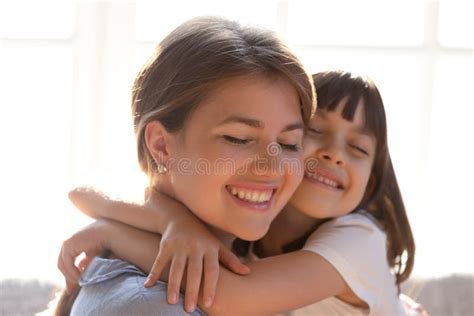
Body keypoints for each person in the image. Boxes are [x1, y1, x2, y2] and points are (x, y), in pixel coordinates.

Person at [60, 71, 423, 315]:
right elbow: (84, 192)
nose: (333, 153)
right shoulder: (250, 216)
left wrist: (112, 233)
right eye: (314, 132)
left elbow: (228, 296)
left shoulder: (360, 239)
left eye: (357, 149)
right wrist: (174, 220)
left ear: (370, 185)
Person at [55, 15, 316, 315]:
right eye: (238, 138)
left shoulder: (265, 251)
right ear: (161, 146)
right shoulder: (149, 306)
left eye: (289, 143)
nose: (272, 167)